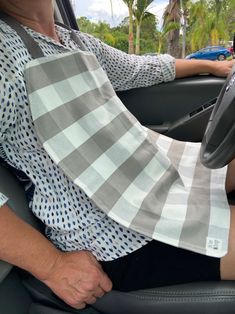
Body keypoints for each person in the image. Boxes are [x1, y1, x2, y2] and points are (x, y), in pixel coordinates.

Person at [0, 0, 235, 310]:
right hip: (114, 234)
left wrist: (212, 66)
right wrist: (53, 265)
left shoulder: (73, 41)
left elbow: (139, 70)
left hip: (152, 183)